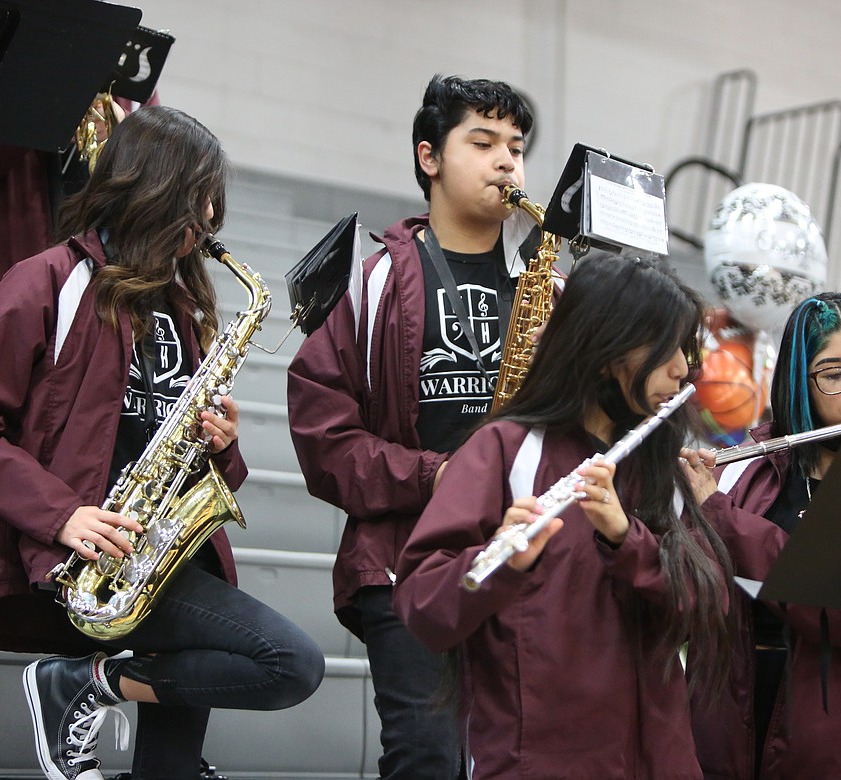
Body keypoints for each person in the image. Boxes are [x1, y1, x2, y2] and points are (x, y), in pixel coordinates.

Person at [0, 105, 325, 780]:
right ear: (152, 186)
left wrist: (220, 444)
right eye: (200, 199)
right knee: (289, 662)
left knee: (169, 770)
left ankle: (85, 685)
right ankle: (82, 684)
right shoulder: (46, 281)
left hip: (173, 557)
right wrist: (61, 515)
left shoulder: (181, 311)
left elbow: (208, 472)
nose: (209, 222)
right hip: (91, 563)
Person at [392, 255, 734, 779]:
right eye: (665, 349)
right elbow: (422, 604)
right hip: (536, 760)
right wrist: (503, 561)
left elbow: (704, 606)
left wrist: (627, 540)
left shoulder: (660, 461)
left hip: (660, 760)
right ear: (605, 350)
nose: (681, 370)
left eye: (685, 352)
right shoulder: (505, 449)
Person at [286, 74, 540, 779]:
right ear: (429, 157)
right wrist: (438, 474)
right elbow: (324, 440)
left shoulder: (550, 286)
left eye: (516, 149)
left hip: (523, 556)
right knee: (427, 756)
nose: (506, 163)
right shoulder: (369, 282)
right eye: (483, 142)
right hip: (405, 558)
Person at [681, 290, 841, 780]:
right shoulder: (753, 463)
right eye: (833, 375)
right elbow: (689, 590)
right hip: (733, 734)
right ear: (798, 383)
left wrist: (722, 518)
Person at [0, 94, 150, 374]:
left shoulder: (127, 60)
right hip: (1, 276)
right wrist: (49, 108)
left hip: (93, 291)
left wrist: (123, 135)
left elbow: (155, 167)